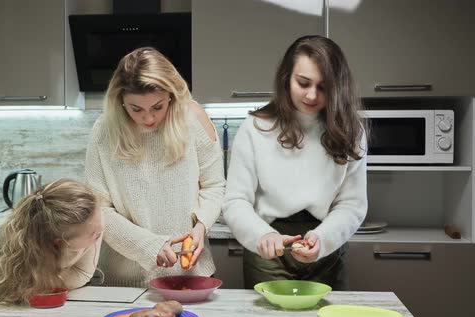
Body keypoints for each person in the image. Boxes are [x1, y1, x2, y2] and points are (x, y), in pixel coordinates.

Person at [222, 35, 368, 290]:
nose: (312, 95)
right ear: (286, 78)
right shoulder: (255, 128)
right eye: (303, 83)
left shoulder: (350, 131)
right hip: (268, 248)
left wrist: (323, 239)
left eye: (323, 87)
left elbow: (352, 205)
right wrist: (262, 235)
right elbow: (235, 201)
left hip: (326, 247)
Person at [84, 47, 225, 287]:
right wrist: (150, 246)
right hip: (124, 278)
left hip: (189, 273)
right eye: (136, 109)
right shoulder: (104, 130)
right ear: (120, 101)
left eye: (158, 107)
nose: (148, 118)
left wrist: (201, 227)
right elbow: (100, 210)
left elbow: (214, 186)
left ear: (171, 94)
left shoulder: (193, 118)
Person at [0, 178, 103, 305]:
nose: (101, 230)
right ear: (60, 242)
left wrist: (47, 281)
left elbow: (83, 273)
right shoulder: (20, 256)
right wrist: (41, 281)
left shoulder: (90, 220)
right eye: (94, 234)